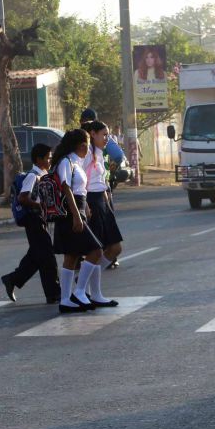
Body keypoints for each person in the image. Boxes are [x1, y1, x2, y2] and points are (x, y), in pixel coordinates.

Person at [51, 129, 106, 313]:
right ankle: (80, 291)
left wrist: (86, 208)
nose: (89, 148)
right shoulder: (66, 161)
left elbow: (79, 188)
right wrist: (76, 214)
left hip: (79, 207)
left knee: (72, 256)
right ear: (82, 145)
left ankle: (65, 299)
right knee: (96, 250)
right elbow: (66, 188)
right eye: (88, 144)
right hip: (70, 212)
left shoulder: (76, 161)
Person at [0, 143, 60, 304]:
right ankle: (54, 293)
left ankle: (12, 279)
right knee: (47, 256)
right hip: (33, 219)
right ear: (39, 159)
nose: (50, 160)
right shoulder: (33, 176)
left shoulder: (44, 174)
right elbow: (23, 197)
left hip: (39, 218)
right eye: (48, 158)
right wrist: (39, 206)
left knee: (36, 255)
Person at [82, 120, 123, 297]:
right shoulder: (86, 155)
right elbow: (79, 183)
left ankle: (89, 285)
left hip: (103, 201)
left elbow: (103, 181)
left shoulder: (100, 153)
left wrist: (107, 203)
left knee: (115, 249)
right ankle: (84, 289)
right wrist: (84, 205)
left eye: (108, 135)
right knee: (95, 250)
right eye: (104, 135)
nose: (107, 138)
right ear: (92, 134)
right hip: (90, 201)